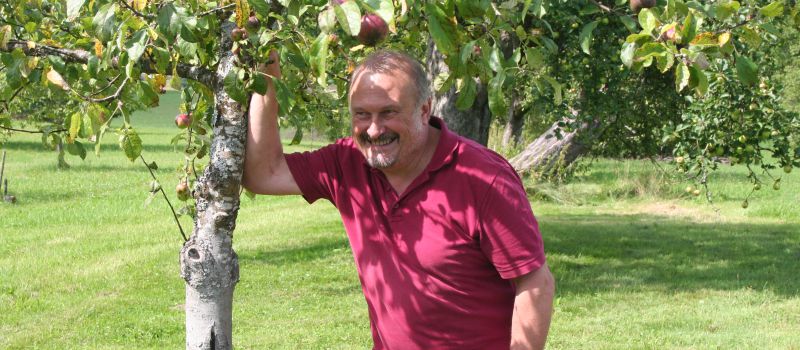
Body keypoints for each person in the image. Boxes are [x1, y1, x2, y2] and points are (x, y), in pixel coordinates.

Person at [243, 50, 555, 349]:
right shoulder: (346, 164)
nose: (374, 130)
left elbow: (534, 283)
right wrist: (265, 71)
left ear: (424, 109)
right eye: (361, 115)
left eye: (388, 113)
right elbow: (264, 173)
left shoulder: (484, 179)